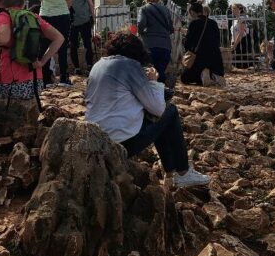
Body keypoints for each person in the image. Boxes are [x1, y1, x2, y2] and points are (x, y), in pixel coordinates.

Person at [85, 31, 210, 188]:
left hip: (97, 141)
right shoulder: (129, 66)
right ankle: (183, 172)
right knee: (169, 111)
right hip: (122, 144)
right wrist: (153, 81)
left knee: (159, 121)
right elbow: (158, 108)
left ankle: (171, 174)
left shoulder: (98, 65)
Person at [0, 0, 64, 100]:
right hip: (34, 86)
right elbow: (59, 38)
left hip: (9, 87)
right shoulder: (33, 17)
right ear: (22, 2)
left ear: (0, 2)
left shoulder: (4, 14)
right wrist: (42, 62)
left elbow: (4, 38)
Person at [37, 0, 73, 87]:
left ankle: (46, 78)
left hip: (45, 14)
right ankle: (64, 77)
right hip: (61, 14)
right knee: (62, 46)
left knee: (45, 45)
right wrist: (65, 8)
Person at [181, 1, 224, 85]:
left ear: (192, 12)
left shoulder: (194, 23)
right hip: (215, 59)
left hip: (199, 58)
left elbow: (188, 42)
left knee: (184, 78)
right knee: (213, 70)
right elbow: (217, 40)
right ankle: (213, 76)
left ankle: (203, 76)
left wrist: (188, 51)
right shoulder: (213, 23)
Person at [137, 0, 173, 84]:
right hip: (165, 45)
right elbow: (171, 27)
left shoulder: (144, 9)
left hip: (150, 45)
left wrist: (141, 33)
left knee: (150, 73)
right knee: (160, 71)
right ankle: (163, 92)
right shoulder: (166, 10)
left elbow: (141, 24)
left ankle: (153, 95)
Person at [68, 0, 95, 75]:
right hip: (85, 20)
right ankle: (89, 66)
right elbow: (91, 5)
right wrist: (93, 18)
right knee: (87, 44)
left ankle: (77, 68)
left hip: (72, 22)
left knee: (73, 46)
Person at [230, 3, 252, 69]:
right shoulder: (235, 20)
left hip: (242, 42)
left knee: (240, 63)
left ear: (240, 9)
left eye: (234, 8)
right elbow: (233, 33)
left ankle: (256, 62)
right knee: (236, 62)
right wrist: (232, 42)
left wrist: (235, 45)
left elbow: (241, 33)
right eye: (232, 9)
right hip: (236, 42)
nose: (232, 10)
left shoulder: (242, 18)